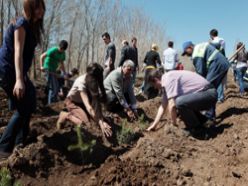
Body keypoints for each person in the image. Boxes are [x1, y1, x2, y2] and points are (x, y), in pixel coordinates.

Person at [0, 0, 45, 159]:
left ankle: (20, 142)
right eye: (36, 7)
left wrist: (24, 76)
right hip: (7, 70)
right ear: (29, 8)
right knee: (24, 107)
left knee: (30, 98)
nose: (40, 11)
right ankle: (4, 148)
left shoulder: (32, 27)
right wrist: (19, 79)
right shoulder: (21, 24)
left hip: (16, 71)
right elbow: (17, 53)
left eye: (41, 7)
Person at [146, 69, 217, 135]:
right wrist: (154, 125)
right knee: (182, 103)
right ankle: (205, 121)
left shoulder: (168, 79)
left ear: (156, 80)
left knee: (179, 102)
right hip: (205, 94)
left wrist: (173, 125)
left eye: (153, 85)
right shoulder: (167, 82)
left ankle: (196, 129)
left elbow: (172, 104)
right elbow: (163, 106)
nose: (155, 88)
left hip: (208, 94)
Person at [57, 63, 112, 137]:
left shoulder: (93, 81)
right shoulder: (81, 82)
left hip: (82, 103)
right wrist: (100, 122)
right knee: (84, 124)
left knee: (100, 120)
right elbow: (88, 106)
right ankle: (66, 115)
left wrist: (101, 119)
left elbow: (96, 101)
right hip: (72, 102)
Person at [182, 41, 229, 121]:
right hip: (222, 64)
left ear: (190, 47)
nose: (186, 54)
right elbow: (218, 45)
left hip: (217, 65)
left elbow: (201, 73)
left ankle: (209, 116)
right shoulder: (202, 44)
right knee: (212, 88)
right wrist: (222, 56)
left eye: (186, 52)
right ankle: (210, 114)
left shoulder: (196, 54)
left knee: (208, 89)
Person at [40, 40, 68, 104]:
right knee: (53, 87)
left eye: (62, 49)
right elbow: (41, 56)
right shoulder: (53, 50)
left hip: (54, 71)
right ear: (59, 46)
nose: (61, 50)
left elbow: (62, 63)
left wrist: (64, 73)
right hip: (47, 69)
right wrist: (41, 66)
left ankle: (52, 103)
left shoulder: (63, 54)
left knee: (56, 87)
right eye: (60, 48)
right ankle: (51, 104)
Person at [209, 29, 226, 102]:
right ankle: (221, 95)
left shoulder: (212, 42)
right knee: (222, 79)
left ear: (211, 35)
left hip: (216, 61)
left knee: (216, 79)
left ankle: (220, 97)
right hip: (223, 59)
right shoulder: (222, 40)